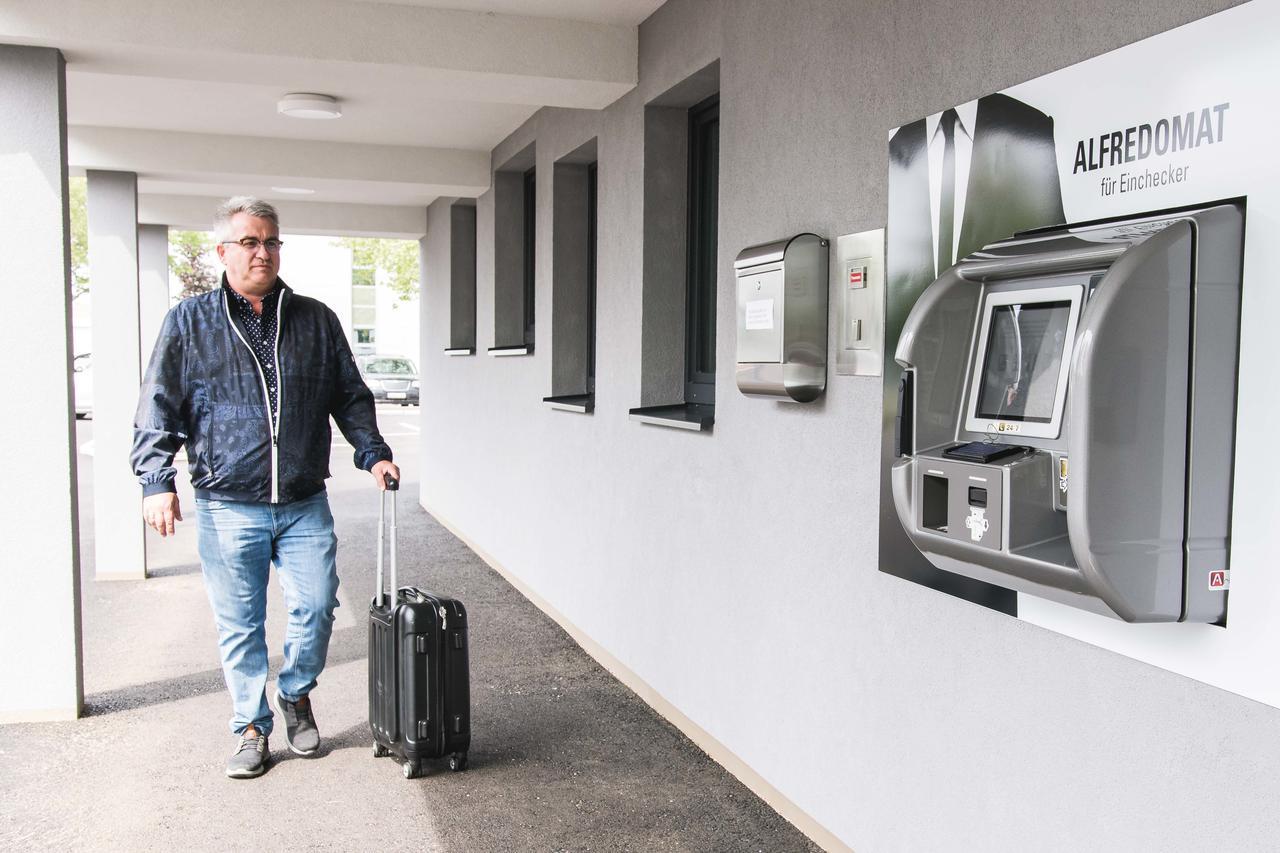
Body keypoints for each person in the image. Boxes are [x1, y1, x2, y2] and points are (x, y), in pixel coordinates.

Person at [132, 196, 399, 779]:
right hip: (228, 503)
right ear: (223, 251)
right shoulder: (189, 321)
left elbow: (348, 395)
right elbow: (160, 404)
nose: (262, 252)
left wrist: (373, 452)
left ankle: (296, 693)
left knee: (316, 606)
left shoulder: (316, 318)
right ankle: (251, 726)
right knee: (240, 622)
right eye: (250, 242)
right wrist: (156, 480)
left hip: (304, 500)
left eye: (271, 241)